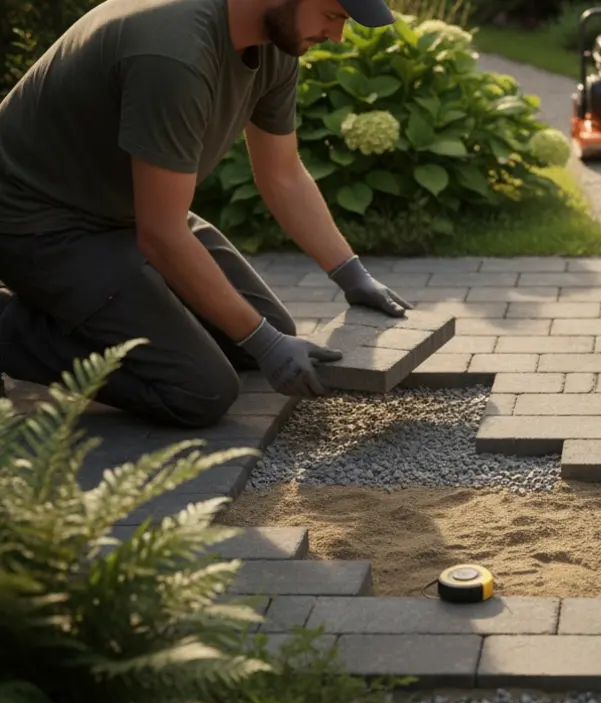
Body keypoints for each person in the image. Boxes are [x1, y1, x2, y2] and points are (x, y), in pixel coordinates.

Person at [0, 0, 413, 428]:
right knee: (201, 389)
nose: (336, 35)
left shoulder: (275, 43)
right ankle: (10, 328)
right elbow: (161, 234)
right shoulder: (175, 53)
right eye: (333, 16)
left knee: (267, 331)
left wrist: (351, 274)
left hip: (124, 213)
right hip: (39, 225)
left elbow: (282, 174)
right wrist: (265, 343)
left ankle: (93, 307)